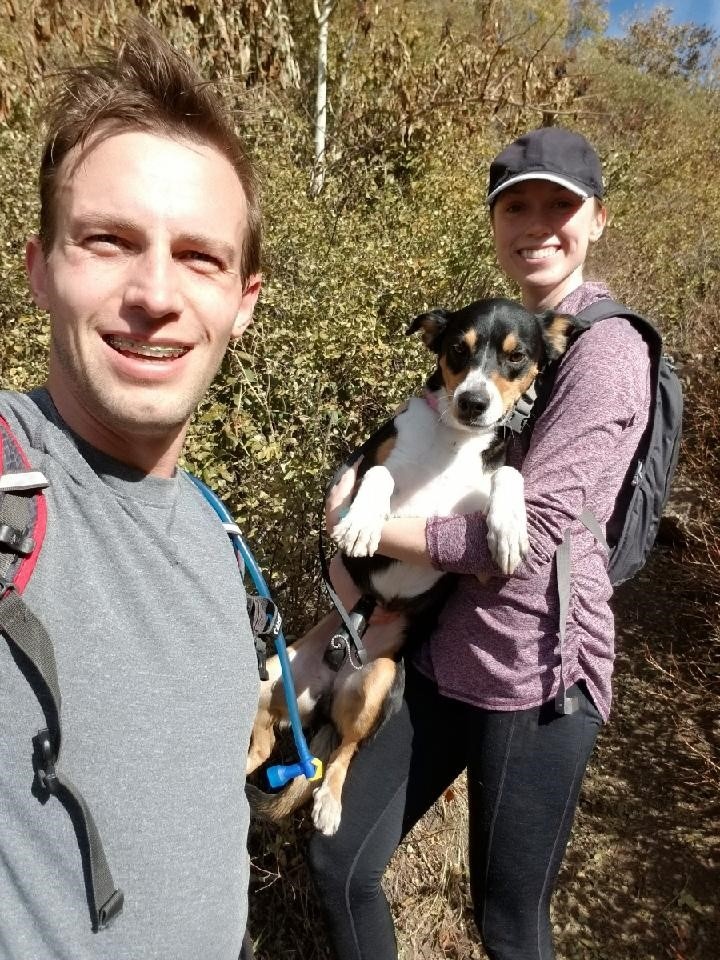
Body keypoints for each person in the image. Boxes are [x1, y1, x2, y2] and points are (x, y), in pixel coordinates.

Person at [308, 127, 652, 960]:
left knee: (506, 921)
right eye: (516, 206)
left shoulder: (601, 351)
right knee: (339, 858)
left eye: (560, 206)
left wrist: (360, 522)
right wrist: (367, 484)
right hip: (445, 654)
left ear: (598, 218)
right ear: (495, 223)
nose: (537, 224)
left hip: (538, 676)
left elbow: (526, 544)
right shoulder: (506, 331)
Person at [0, 19, 262, 960]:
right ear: (40, 270)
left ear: (243, 299)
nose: (156, 292)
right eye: (108, 240)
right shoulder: (10, 475)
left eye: (200, 256)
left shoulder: (215, 530)